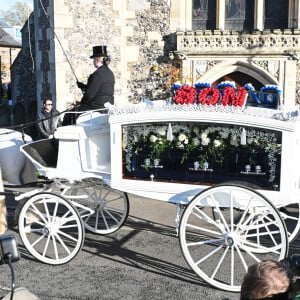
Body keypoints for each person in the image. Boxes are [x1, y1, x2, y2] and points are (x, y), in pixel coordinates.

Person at [76, 45, 115, 111]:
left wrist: (81, 103)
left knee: (69, 115)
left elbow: (89, 95)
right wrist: (83, 87)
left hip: (95, 107)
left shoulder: (96, 75)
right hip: (107, 106)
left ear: (97, 60)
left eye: (94, 59)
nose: (93, 62)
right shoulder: (110, 73)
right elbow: (101, 91)